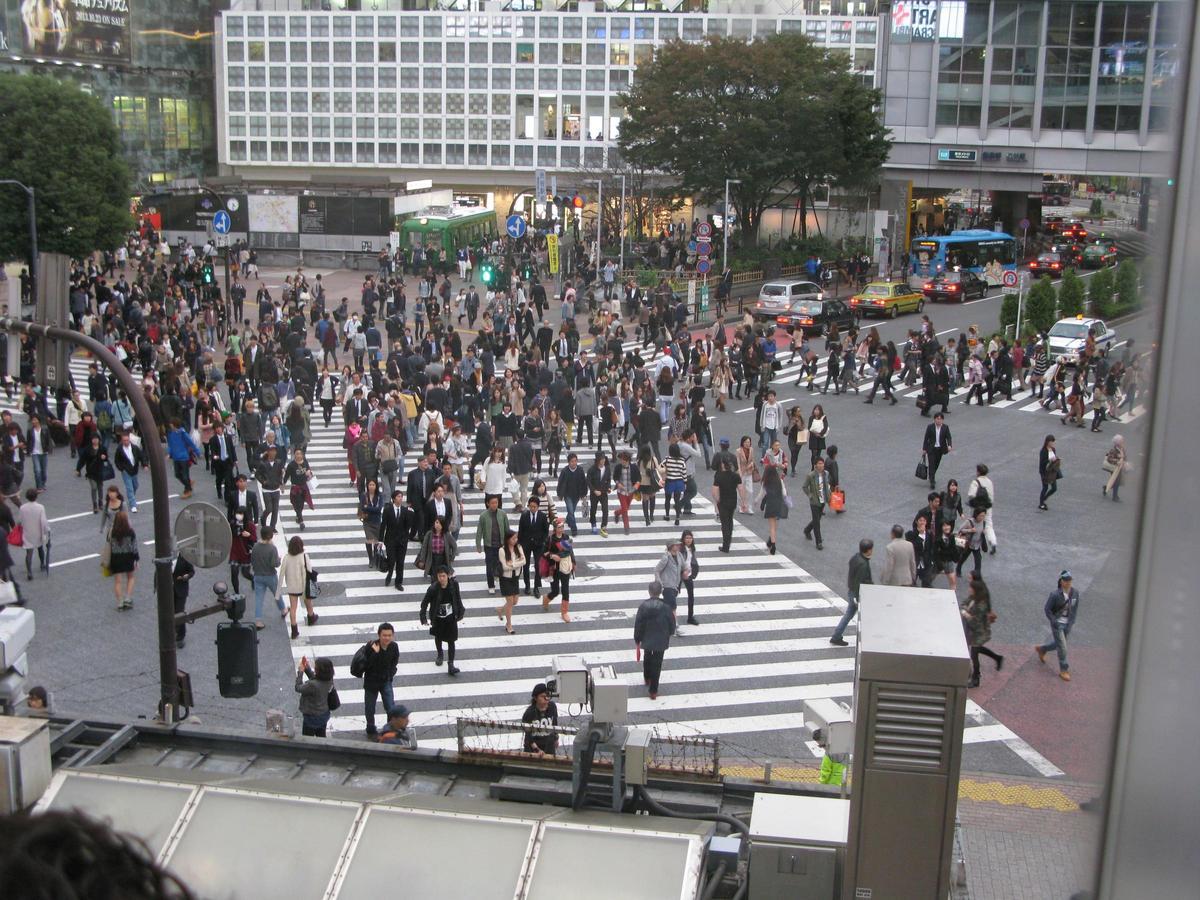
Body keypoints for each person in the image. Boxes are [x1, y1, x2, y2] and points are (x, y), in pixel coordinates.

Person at [634, 581, 676, 700]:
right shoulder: (666, 607)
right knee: (657, 663)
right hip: (661, 638)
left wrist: (637, 638)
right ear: (661, 592)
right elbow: (671, 623)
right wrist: (670, 632)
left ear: (649, 591)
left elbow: (638, 624)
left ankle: (647, 677)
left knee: (647, 657)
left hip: (647, 636)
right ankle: (653, 690)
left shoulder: (643, 606)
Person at [357, 622, 400, 737]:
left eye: (389, 635)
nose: (387, 638)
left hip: (386, 681)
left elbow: (394, 662)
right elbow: (367, 666)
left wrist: (390, 674)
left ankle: (389, 728)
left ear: (393, 635)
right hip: (371, 683)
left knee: (390, 707)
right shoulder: (371, 647)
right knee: (370, 708)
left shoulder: (394, 646)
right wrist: (376, 654)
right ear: (379, 635)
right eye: (384, 635)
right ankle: (370, 728)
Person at [420, 565, 465, 675]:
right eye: (439, 576)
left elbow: (457, 598)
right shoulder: (433, 588)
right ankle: (440, 654)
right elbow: (424, 603)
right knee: (438, 637)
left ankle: (451, 664)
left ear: (448, 576)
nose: (442, 579)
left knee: (451, 640)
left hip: (450, 616)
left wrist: (461, 610)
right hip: (438, 617)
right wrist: (423, 617)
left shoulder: (454, 585)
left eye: (443, 576)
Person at [1036, 570, 1079, 681]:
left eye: (1070, 580)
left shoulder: (1075, 593)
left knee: (1058, 644)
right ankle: (1064, 670)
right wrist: (1053, 621)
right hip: (1058, 624)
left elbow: (1074, 609)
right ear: (1061, 581)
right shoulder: (1055, 595)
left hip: (1068, 624)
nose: (1068, 583)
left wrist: (1072, 621)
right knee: (1063, 647)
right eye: (1065, 580)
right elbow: (1047, 609)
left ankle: (1042, 649)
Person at [961, 577, 1003, 687]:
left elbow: (976, 622)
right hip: (976, 632)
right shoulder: (974, 598)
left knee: (974, 655)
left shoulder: (980, 606)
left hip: (979, 633)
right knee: (977, 650)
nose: (969, 589)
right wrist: (965, 609)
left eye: (970, 587)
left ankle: (976, 678)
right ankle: (997, 658)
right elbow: (963, 603)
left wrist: (966, 614)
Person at [830, 539, 873, 646]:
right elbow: (859, 581)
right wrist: (858, 597)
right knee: (855, 615)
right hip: (857, 594)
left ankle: (836, 636)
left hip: (852, 591)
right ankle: (837, 636)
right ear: (868, 550)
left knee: (849, 614)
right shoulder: (863, 564)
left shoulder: (856, 557)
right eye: (871, 549)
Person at [279, 535, 317, 639]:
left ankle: (294, 630)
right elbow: (309, 570)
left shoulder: (286, 557)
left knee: (293, 608)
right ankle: (311, 617)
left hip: (292, 586)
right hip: (304, 585)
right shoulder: (304, 556)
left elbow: (282, 573)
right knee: (308, 602)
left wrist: (278, 592)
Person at [380, 489, 417, 591]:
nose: (400, 498)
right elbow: (383, 525)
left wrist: (412, 513)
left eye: (401, 496)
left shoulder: (406, 511)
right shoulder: (388, 510)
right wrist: (380, 540)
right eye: (398, 496)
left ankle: (398, 582)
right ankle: (390, 574)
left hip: (402, 541)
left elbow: (409, 525)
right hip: (390, 540)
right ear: (393, 499)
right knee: (391, 561)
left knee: (400, 562)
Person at [475, 493, 510, 596]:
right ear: (488, 503)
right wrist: (478, 545)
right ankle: (491, 585)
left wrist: (509, 543)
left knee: (502, 564)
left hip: (501, 545)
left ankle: (500, 579)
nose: (495, 505)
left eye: (496, 502)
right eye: (492, 503)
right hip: (489, 545)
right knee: (489, 565)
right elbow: (479, 531)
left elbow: (507, 529)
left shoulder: (502, 514)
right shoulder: (483, 516)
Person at [250, 525, 284, 627]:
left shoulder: (255, 546)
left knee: (259, 598)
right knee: (276, 593)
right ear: (270, 536)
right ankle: (283, 610)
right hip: (270, 575)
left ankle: (258, 621)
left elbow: (252, 560)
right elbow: (275, 564)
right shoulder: (272, 548)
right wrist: (279, 559)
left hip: (258, 575)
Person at [541, 520, 575, 622]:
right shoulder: (550, 539)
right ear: (555, 528)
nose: (561, 529)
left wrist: (573, 562)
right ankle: (546, 598)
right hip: (553, 568)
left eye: (562, 527)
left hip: (565, 566)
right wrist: (552, 556)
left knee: (565, 590)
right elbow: (544, 553)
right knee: (555, 591)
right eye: (559, 527)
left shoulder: (566, 538)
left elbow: (570, 551)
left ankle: (564, 612)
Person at [295, 655, 336, 737]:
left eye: (315, 668)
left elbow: (298, 688)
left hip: (311, 717)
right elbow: (316, 678)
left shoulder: (312, 685)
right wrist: (307, 669)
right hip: (324, 714)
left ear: (319, 670)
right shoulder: (329, 679)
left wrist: (300, 672)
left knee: (307, 739)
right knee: (321, 736)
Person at [105, 510, 138, 609]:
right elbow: (134, 547)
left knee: (118, 581)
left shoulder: (112, 531)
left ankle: (120, 602)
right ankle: (128, 598)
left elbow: (109, 543)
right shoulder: (130, 531)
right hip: (128, 557)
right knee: (130, 578)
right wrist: (136, 559)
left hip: (116, 558)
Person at [495, 530, 525, 635]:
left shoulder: (519, 547)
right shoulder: (502, 550)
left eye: (516, 538)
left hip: (515, 577)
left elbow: (524, 561)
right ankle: (509, 625)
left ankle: (500, 610)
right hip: (505, 579)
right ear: (508, 539)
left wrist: (512, 564)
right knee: (510, 602)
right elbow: (504, 567)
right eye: (513, 538)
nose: (515, 540)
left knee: (515, 601)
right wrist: (517, 563)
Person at [18, 489, 50, 581]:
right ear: (36, 496)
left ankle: (29, 572)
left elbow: (19, 521)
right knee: (40, 549)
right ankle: (42, 564)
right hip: (38, 531)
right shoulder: (40, 507)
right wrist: (46, 530)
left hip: (27, 532)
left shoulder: (23, 508)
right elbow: (43, 521)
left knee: (29, 553)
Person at [711, 458, 741, 553]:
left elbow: (714, 490)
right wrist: (744, 502)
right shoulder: (736, 476)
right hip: (732, 501)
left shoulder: (719, 476)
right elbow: (741, 489)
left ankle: (725, 545)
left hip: (723, 501)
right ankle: (728, 541)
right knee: (730, 520)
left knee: (724, 523)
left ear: (723, 465)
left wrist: (717, 499)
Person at [521, 683, 559, 756]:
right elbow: (528, 736)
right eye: (542, 696)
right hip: (533, 749)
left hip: (549, 746)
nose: (546, 699)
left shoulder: (552, 707)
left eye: (547, 696)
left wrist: (556, 738)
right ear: (535, 698)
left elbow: (555, 723)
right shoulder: (530, 712)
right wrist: (537, 750)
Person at [165, 420, 201, 498]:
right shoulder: (171, 434)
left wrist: (197, 452)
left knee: (185, 475)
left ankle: (188, 490)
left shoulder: (183, 434)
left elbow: (191, 443)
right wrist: (169, 453)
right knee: (177, 474)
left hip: (184, 457)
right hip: (176, 457)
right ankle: (188, 483)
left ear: (175, 425)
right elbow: (171, 445)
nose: (170, 427)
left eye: (171, 425)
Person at [415, 516, 457, 581]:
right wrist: (422, 560)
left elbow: (454, 546)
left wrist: (452, 557)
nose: (437, 525)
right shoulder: (429, 534)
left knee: (442, 577)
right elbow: (424, 548)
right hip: (433, 559)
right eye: (436, 522)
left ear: (443, 525)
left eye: (439, 523)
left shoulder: (446, 535)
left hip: (443, 559)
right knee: (434, 577)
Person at [966, 464, 996, 553]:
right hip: (987, 507)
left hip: (977, 508)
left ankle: (972, 542)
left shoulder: (975, 482)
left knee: (973, 523)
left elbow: (971, 494)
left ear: (978, 472)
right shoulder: (990, 482)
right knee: (989, 525)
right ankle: (993, 542)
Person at [758, 464, 786, 554]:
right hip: (779, 504)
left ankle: (773, 544)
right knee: (775, 525)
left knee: (772, 526)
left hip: (770, 504)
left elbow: (761, 494)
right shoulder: (780, 480)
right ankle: (771, 541)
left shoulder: (765, 482)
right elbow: (784, 493)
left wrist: (756, 501)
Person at [921, 412, 953, 491]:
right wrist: (924, 449)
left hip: (940, 449)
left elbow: (948, 437)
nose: (939, 421)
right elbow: (926, 438)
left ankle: (931, 474)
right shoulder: (930, 427)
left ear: (942, 420)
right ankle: (932, 481)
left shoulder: (945, 427)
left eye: (940, 419)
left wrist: (949, 445)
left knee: (936, 463)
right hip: (931, 449)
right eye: (937, 419)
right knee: (931, 464)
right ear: (934, 419)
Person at [956, 507, 989, 580]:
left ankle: (977, 576)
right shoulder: (969, 522)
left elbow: (982, 531)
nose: (982, 517)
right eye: (980, 515)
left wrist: (984, 533)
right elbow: (960, 530)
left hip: (977, 545)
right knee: (963, 558)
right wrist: (970, 530)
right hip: (968, 544)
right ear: (976, 515)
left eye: (983, 515)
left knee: (978, 561)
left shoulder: (983, 522)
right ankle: (958, 569)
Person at [171, 553, 195, 649]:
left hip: (180, 589)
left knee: (179, 612)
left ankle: (181, 636)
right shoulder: (165, 555)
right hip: (168, 590)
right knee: (169, 612)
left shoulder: (185, 557)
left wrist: (186, 576)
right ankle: (171, 632)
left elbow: (191, 571)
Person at [679, 530, 700, 626]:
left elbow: (692, 560)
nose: (688, 540)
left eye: (690, 538)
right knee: (673, 595)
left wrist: (691, 572)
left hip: (688, 575)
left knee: (691, 596)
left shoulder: (692, 548)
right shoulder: (681, 549)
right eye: (687, 538)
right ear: (683, 539)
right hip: (679, 574)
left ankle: (690, 617)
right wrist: (683, 571)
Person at [1038, 434, 1061, 511]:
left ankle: (1044, 498)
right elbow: (1042, 462)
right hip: (1044, 472)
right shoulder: (1043, 451)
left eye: (1053, 442)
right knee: (1045, 487)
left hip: (1052, 472)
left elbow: (1054, 458)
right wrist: (1049, 460)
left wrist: (1056, 459)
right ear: (1047, 442)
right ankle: (1041, 503)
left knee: (1054, 488)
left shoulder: (1053, 449)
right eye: (1051, 442)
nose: (1052, 444)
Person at [1102, 434, 1128, 501]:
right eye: (1121, 441)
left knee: (1117, 482)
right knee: (1116, 481)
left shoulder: (1122, 449)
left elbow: (1124, 457)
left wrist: (1125, 463)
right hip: (1114, 468)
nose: (1123, 442)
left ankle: (1106, 487)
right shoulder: (1113, 450)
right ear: (1118, 443)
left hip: (1119, 468)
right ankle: (1115, 497)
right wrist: (1117, 461)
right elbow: (1109, 459)